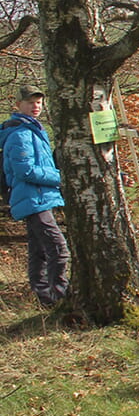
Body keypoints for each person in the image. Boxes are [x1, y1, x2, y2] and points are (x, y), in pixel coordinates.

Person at [0, 85, 69, 307]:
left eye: (38, 102)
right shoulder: (20, 134)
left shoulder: (35, 131)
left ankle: (44, 299)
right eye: (30, 102)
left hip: (39, 198)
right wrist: (60, 178)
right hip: (33, 199)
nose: (35, 106)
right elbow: (25, 170)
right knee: (59, 250)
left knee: (38, 251)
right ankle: (59, 298)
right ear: (17, 105)